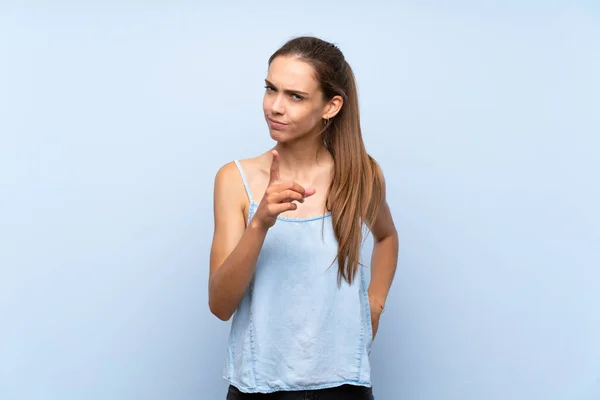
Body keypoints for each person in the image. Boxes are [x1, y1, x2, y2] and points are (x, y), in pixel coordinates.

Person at [209, 36, 399, 399]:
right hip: (258, 389)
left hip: (345, 387)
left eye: (295, 96)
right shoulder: (235, 180)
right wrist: (260, 223)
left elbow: (387, 237)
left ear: (331, 106)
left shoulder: (360, 174)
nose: (275, 107)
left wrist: (373, 305)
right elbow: (220, 305)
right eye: (270, 89)